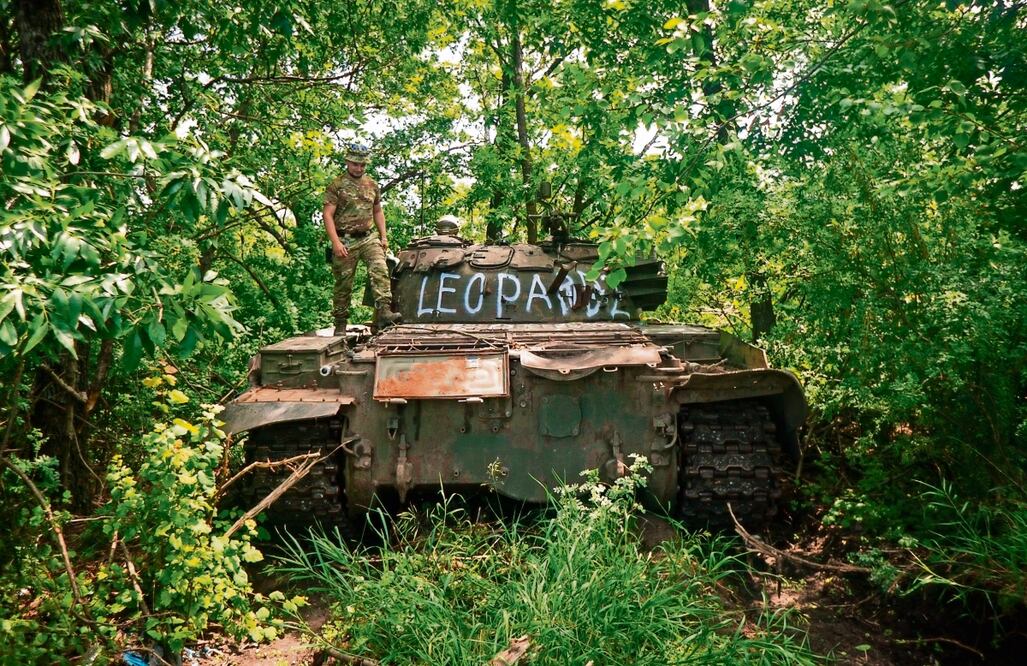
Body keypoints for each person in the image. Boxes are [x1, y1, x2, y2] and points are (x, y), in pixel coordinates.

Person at [323, 142, 402, 336]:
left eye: (362, 165)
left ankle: (384, 311)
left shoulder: (372, 185)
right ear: (348, 162)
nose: (359, 168)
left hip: (368, 237)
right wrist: (335, 242)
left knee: (381, 269)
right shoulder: (337, 185)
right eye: (355, 164)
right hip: (345, 239)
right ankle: (340, 322)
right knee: (343, 283)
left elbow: (377, 210)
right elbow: (327, 215)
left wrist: (383, 236)